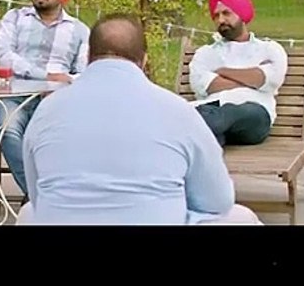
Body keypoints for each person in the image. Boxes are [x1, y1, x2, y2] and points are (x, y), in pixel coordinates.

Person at [17, 13, 261, 225]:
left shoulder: (46, 111)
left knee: (28, 213)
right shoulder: (178, 111)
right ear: (144, 61)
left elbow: (37, 196)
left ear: (89, 57)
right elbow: (217, 201)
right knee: (240, 217)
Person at [0, 0, 89, 201]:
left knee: (65, 136)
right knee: (3, 126)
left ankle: (48, 197)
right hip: (16, 96)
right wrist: (46, 76)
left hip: (58, 101)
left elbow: (84, 73)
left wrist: (63, 83)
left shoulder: (79, 30)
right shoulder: (15, 18)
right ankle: (43, 196)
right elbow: (4, 58)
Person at [188, 0, 288, 147]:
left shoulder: (269, 49)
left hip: (254, 114)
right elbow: (201, 85)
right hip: (212, 107)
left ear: (241, 14)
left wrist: (221, 72)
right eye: (216, 16)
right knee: (215, 128)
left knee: (225, 114)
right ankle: (212, 137)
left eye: (226, 13)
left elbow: (271, 80)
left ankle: (199, 123)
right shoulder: (205, 53)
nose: (220, 20)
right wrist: (251, 79)